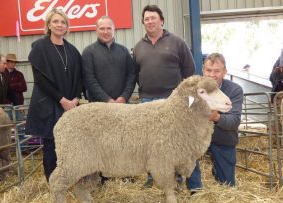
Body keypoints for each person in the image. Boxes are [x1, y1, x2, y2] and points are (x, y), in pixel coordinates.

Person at [133, 4, 198, 192]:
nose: (150, 21)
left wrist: (185, 100)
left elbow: (190, 72)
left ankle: (179, 178)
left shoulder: (177, 42)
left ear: (162, 20)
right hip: (148, 102)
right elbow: (136, 73)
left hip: (173, 102)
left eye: (153, 18)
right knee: (149, 142)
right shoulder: (139, 47)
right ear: (143, 23)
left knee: (176, 142)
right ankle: (151, 176)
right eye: (146, 19)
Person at [25, 8, 84, 182]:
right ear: (49, 24)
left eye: (63, 22)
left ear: (67, 26)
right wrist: (62, 100)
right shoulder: (39, 48)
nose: (59, 25)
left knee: (71, 145)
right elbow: (40, 80)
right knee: (51, 144)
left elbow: (80, 78)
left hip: (70, 105)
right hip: (49, 104)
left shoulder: (72, 50)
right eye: (56, 21)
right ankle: (53, 182)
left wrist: (75, 99)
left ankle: (70, 179)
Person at [189, 53, 243, 187]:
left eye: (217, 71)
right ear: (203, 70)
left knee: (227, 185)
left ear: (225, 72)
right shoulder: (192, 88)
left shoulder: (234, 90)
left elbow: (234, 121)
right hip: (196, 138)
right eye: (208, 70)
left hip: (222, 138)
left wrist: (216, 117)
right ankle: (195, 190)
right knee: (186, 152)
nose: (212, 75)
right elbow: (185, 112)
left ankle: (219, 171)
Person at [82, 16, 135, 103]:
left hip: (122, 105)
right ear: (96, 30)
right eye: (102, 29)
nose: (105, 32)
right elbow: (89, 80)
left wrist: (124, 97)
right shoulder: (88, 52)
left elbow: (131, 76)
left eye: (109, 28)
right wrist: (106, 99)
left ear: (114, 30)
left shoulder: (124, 51)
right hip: (98, 106)